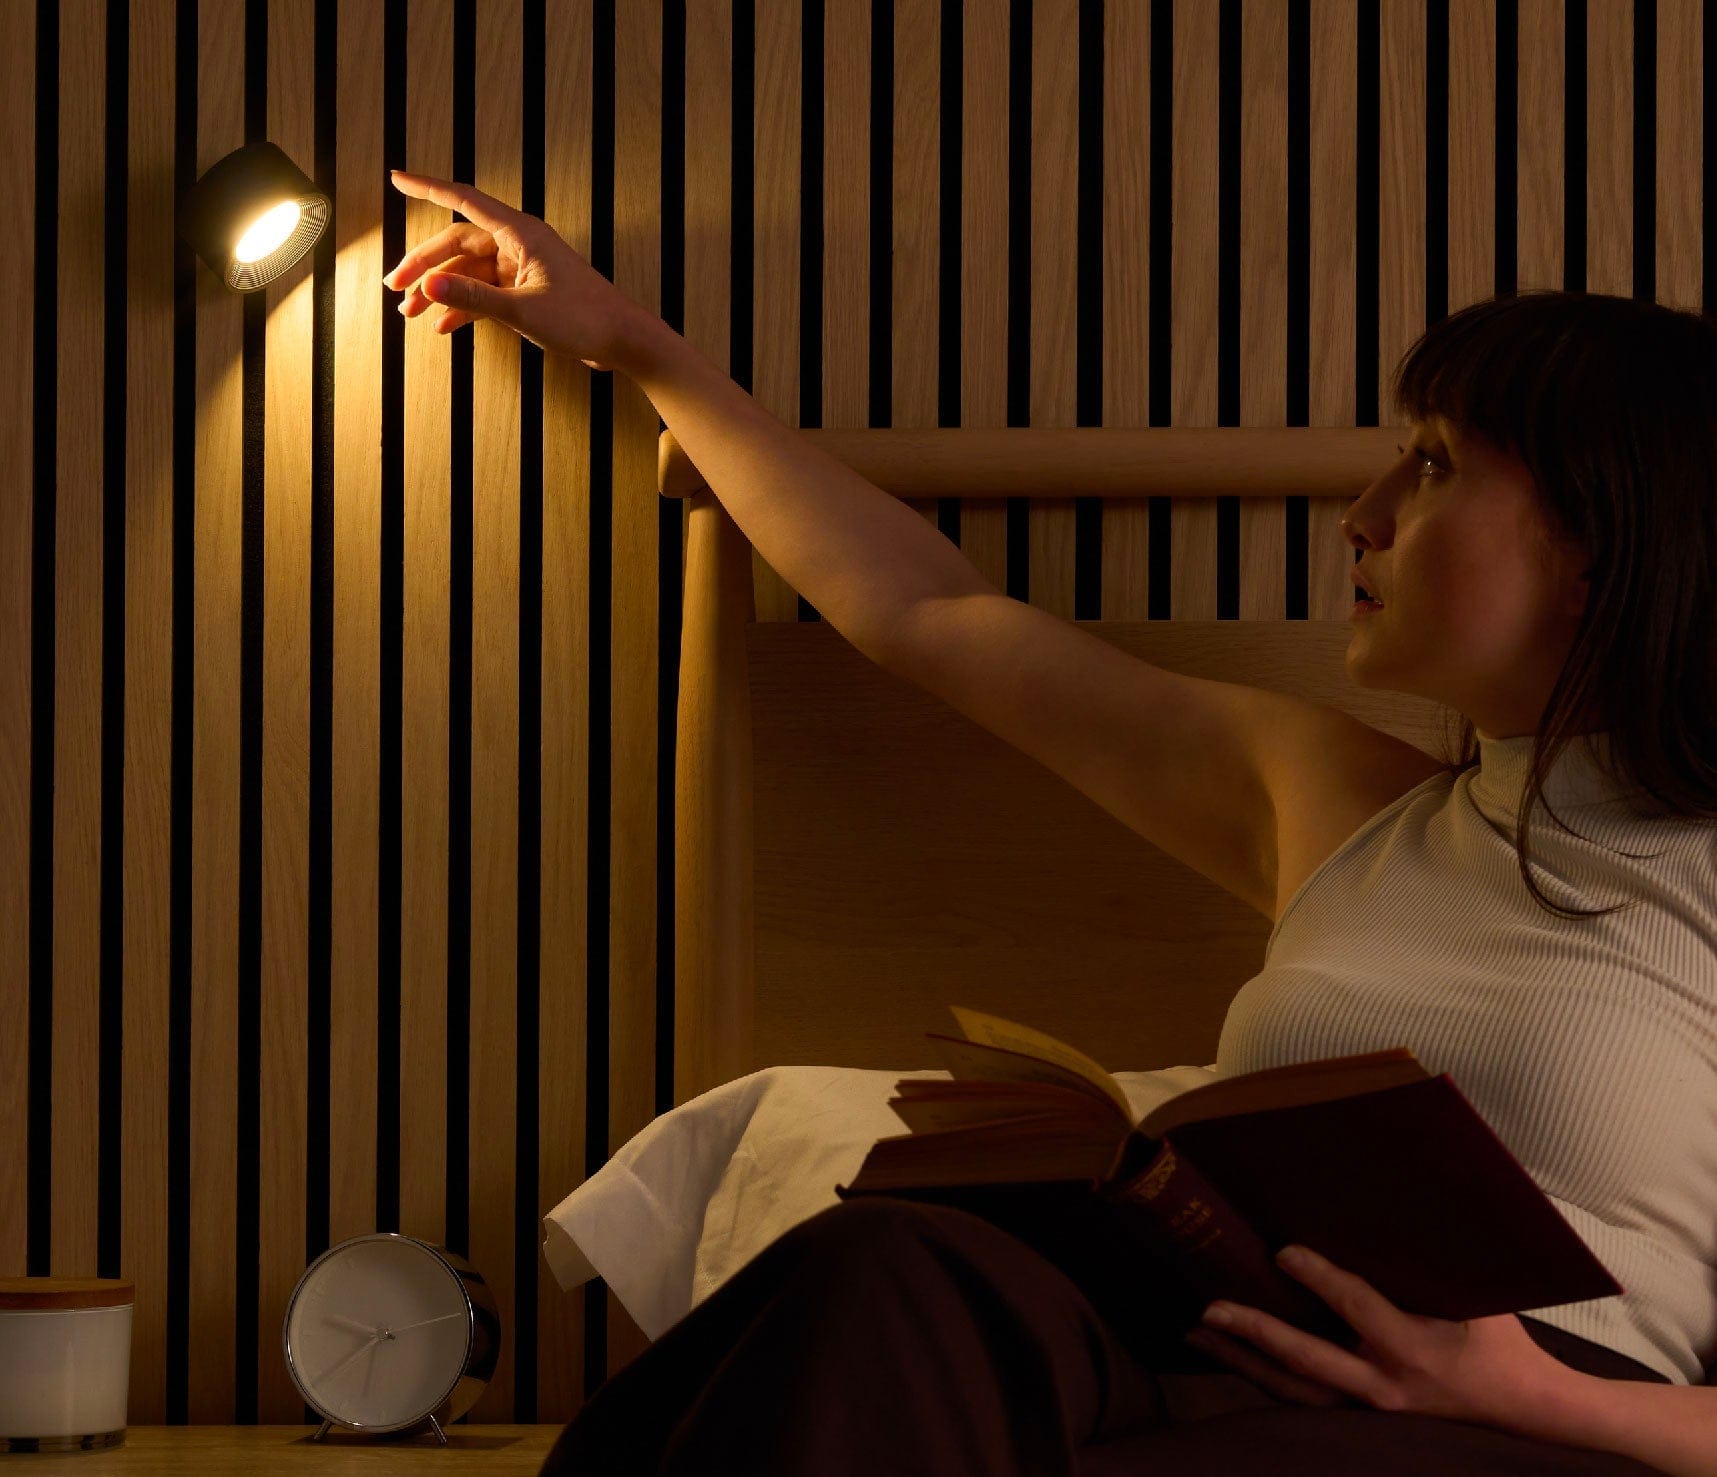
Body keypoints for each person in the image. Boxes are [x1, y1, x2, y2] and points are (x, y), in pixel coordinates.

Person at [382, 168, 1716, 1476]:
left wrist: (1536, 1395)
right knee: (885, 1268)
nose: (1360, 517)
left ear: (1597, 541)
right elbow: (928, 614)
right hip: (1211, 1350)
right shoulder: (1343, 804)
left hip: (1538, 1420)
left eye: (1429, 467)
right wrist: (638, 348)